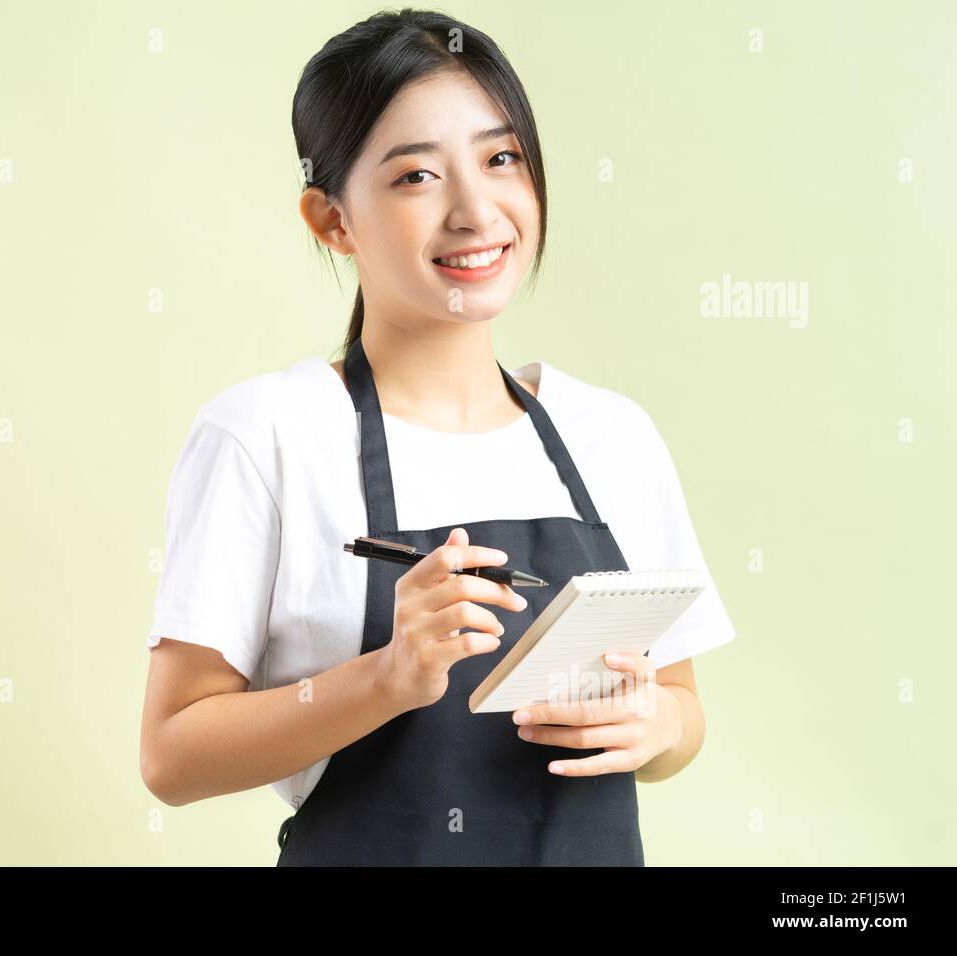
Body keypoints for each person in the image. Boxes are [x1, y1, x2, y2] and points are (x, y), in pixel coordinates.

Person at [139, 8, 736, 866]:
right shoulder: (266, 434)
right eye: (417, 176)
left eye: (501, 160)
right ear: (332, 220)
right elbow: (171, 755)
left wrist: (656, 721)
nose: (475, 210)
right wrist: (385, 679)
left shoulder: (612, 435)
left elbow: (682, 715)